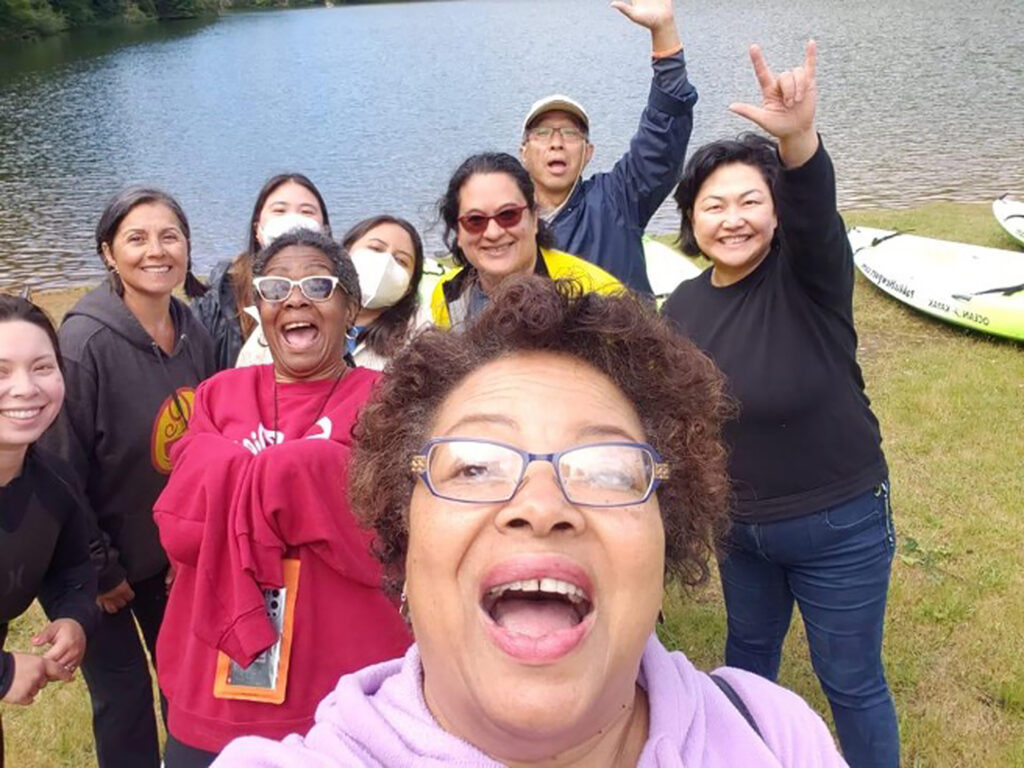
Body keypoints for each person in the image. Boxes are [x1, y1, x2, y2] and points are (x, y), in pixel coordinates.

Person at [212, 276, 848, 767]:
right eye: (474, 467)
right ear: (405, 552)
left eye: (606, 468)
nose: (541, 507)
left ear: (666, 541)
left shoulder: (772, 732)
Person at [661, 42, 898, 768]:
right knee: (746, 665)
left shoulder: (810, 271)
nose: (731, 220)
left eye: (749, 201)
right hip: (743, 530)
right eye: (713, 205)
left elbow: (814, 206)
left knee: (850, 682)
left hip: (840, 523)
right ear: (692, 218)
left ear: (775, 211)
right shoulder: (685, 305)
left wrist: (795, 139)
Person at [154, 230, 411, 767]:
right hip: (215, 684)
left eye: (318, 285)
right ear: (261, 311)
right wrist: (305, 479)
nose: (295, 298)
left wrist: (242, 472)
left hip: (342, 687)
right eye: (276, 287)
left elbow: (382, 533)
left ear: (350, 308)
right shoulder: (219, 393)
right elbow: (181, 525)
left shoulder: (388, 401)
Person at [38, 188, 216, 768]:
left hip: (172, 560)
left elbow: (206, 444)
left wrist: (191, 553)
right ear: (109, 253)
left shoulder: (194, 330)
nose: (156, 251)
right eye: (136, 238)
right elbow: (59, 467)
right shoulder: (84, 343)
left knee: (187, 689)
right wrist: (100, 567)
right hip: (98, 565)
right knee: (124, 700)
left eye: (170, 235)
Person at [518, 0, 697, 295]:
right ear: (523, 153)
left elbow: (662, 138)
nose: (557, 142)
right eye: (543, 132)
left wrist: (664, 34)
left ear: (588, 153)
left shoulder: (618, 200)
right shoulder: (507, 223)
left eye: (570, 133)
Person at [0, 296, 97, 765]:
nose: (25, 388)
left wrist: (73, 616)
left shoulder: (52, 483)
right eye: (1, 371)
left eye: (42, 367)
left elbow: (73, 564)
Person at [433, 152, 621, 328]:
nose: (493, 232)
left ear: (534, 218)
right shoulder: (448, 295)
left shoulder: (598, 294)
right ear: (458, 232)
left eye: (508, 215)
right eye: (475, 220)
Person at [192, 173, 330, 370]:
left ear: (324, 230)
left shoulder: (336, 293)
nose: (294, 220)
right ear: (257, 229)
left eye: (306, 212)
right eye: (280, 210)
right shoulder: (221, 299)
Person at [341, 215, 426, 370]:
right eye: (376, 249)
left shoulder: (418, 336)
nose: (386, 262)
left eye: (401, 260)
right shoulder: (308, 307)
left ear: (409, 287)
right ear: (345, 253)